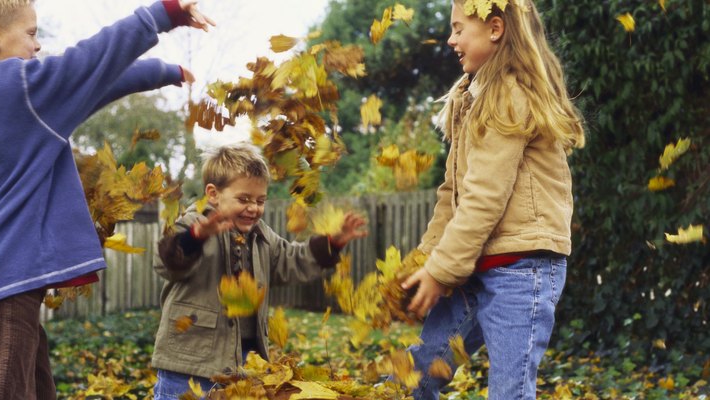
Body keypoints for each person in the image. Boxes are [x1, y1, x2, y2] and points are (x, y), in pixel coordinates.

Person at [0, 1, 213, 398]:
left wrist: (161, 73)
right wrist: (160, 14)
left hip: (2, 286)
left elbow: (90, 85)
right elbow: (85, 64)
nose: (38, 45)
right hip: (2, 289)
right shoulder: (12, 87)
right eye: (30, 34)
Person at [400, 0, 586, 399]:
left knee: (509, 390)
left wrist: (441, 270)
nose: (451, 40)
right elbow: (452, 193)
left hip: (523, 270)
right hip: (474, 267)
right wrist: (428, 259)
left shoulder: (509, 97)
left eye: (458, 29)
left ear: (495, 29)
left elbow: (485, 199)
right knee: (419, 372)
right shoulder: (469, 98)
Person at [151, 143, 367, 399]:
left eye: (260, 200)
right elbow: (166, 262)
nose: (253, 207)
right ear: (213, 194)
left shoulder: (262, 236)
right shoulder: (194, 224)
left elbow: (292, 260)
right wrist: (197, 237)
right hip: (189, 360)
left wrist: (332, 244)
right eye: (243, 199)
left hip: (243, 359)